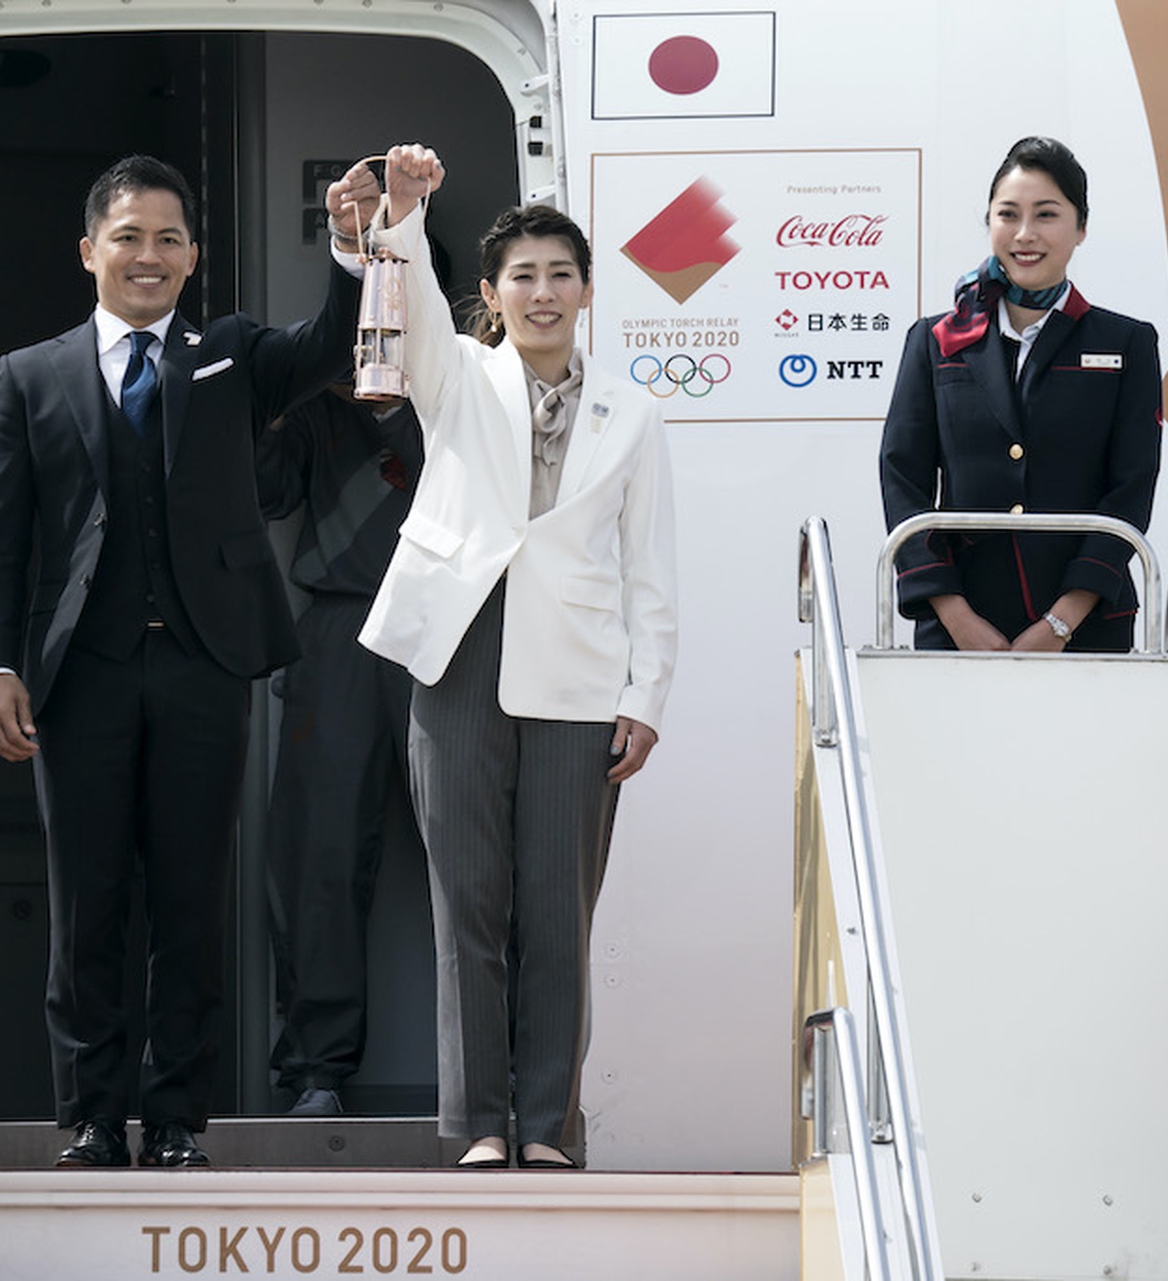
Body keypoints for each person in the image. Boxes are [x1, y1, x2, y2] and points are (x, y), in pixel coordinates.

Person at [0, 154, 376, 1169]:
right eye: (127, 238)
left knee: (192, 901)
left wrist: (351, 246)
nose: (146, 257)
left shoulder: (230, 355)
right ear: (88, 252)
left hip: (203, 664)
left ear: (194, 256)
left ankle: (178, 1119)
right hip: (79, 676)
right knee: (87, 903)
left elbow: (331, 345)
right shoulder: (31, 374)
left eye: (167, 240)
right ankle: (95, 1119)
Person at [357, 146, 678, 1169]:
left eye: (561, 274)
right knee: (470, 906)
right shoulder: (456, 378)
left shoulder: (634, 414)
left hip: (581, 668)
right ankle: (482, 1127)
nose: (542, 293)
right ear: (490, 294)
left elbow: (649, 568)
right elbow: (402, 323)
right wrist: (402, 214)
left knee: (556, 910)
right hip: (457, 652)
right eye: (522, 276)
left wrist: (648, 694)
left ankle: (548, 1126)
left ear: (587, 290)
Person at [879, 135, 1163, 653]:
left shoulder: (1126, 343)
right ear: (989, 223)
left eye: (1047, 215)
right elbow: (903, 483)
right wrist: (956, 617)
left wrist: (1061, 623)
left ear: (1081, 227)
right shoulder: (934, 341)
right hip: (959, 627)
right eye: (1007, 214)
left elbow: (1130, 489)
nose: (1025, 234)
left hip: (1088, 628)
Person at [257, 379, 424, 1118]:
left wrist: (396, 408)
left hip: (451, 625)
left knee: (479, 860)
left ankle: (509, 1071)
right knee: (318, 852)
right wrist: (263, 402)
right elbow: (265, 494)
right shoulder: (320, 399)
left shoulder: (469, 384)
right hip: (337, 624)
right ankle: (315, 1066)